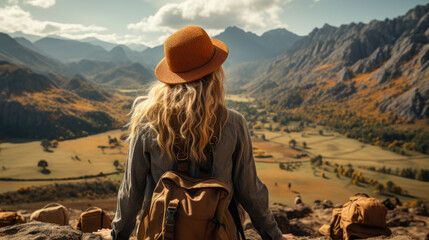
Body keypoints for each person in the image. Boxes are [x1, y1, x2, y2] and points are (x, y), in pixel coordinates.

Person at [94, 26, 294, 240]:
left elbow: (131, 191)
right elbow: (250, 192)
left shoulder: (148, 122)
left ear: (171, 76)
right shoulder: (234, 123)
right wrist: (275, 236)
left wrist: (117, 235)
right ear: (215, 73)